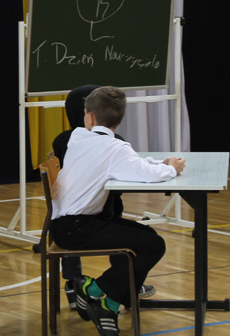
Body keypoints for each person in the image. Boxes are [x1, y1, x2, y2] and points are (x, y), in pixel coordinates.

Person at [50, 86, 184, 336]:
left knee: (148, 238)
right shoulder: (114, 147)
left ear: (89, 117)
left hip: (69, 224)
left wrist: (160, 164)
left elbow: (133, 162)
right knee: (153, 245)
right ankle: (96, 292)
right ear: (120, 120)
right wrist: (172, 170)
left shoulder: (78, 137)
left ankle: (105, 300)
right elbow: (144, 172)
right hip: (76, 228)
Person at [52, 85, 155, 318]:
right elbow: (129, 178)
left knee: (147, 238)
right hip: (89, 220)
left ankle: (82, 285)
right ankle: (111, 290)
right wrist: (169, 168)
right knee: (145, 240)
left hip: (65, 220)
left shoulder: (68, 139)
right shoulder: (111, 142)